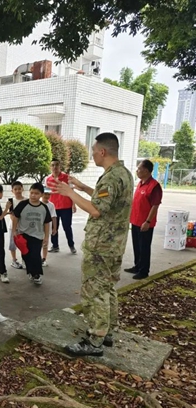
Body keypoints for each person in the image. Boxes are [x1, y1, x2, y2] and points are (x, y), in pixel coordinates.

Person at [53, 132, 133, 356]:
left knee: (95, 290)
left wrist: (69, 193)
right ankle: (107, 332)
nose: (93, 155)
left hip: (101, 246)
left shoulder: (110, 178)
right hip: (115, 244)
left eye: (94, 151)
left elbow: (96, 210)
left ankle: (95, 340)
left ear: (103, 152)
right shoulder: (123, 173)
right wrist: (82, 187)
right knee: (108, 287)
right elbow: (105, 201)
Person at [125, 159, 162, 280]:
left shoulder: (154, 186)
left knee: (144, 247)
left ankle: (144, 270)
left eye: (139, 169)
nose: (137, 171)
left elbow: (155, 205)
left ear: (146, 171)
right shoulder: (140, 183)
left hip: (145, 223)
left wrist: (148, 221)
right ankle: (137, 266)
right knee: (137, 246)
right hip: (135, 221)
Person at [12, 183, 52, 285]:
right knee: (26, 255)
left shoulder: (44, 207)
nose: (33, 195)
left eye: (36, 193)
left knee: (35, 255)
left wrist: (46, 237)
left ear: (41, 194)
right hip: (23, 234)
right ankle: (30, 272)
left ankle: (36, 274)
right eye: (32, 193)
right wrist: (14, 230)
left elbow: (46, 223)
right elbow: (15, 217)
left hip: (37, 235)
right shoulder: (23, 204)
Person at [46, 159, 77, 254]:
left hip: (66, 207)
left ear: (60, 166)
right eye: (52, 165)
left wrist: (73, 204)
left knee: (67, 227)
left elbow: (72, 192)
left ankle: (71, 246)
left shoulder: (67, 178)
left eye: (56, 165)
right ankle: (55, 246)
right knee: (54, 227)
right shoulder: (47, 179)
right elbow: (46, 193)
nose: (54, 167)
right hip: (53, 207)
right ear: (50, 167)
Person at [8, 181, 26, 270]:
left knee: (24, 244)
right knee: (13, 245)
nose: (18, 191)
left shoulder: (27, 201)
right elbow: (11, 215)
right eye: (15, 189)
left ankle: (25, 260)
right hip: (13, 227)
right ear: (12, 191)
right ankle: (14, 260)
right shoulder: (11, 201)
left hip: (25, 228)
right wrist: (16, 225)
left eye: (19, 189)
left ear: (22, 189)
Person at [40, 188, 58, 267]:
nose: (47, 196)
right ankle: (37, 258)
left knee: (45, 243)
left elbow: (54, 216)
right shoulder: (38, 203)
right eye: (45, 194)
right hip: (38, 227)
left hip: (47, 227)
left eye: (48, 194)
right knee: (38, 244)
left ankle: (44, 259)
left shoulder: (51, 205)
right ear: (42, 194)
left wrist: (55, 228)